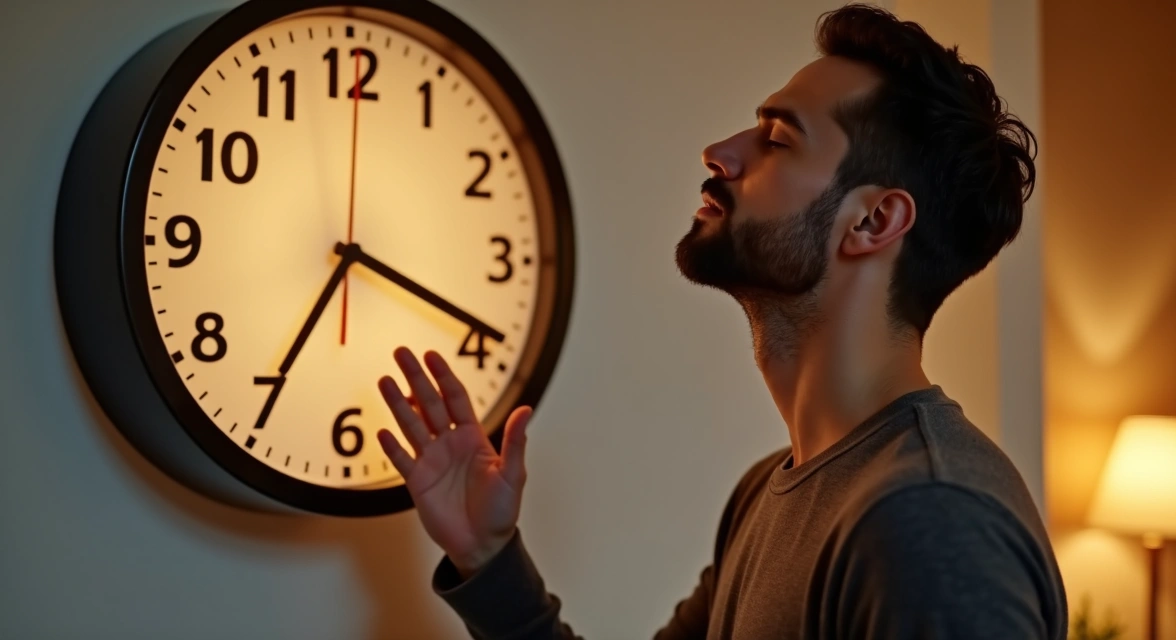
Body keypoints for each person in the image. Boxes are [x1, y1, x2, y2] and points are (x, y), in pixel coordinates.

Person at [374, 3, 1068, 638]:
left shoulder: (929, 523)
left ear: (873, 221)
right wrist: (488, 556)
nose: (721, 152)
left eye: (778, 137)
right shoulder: (769, 493)